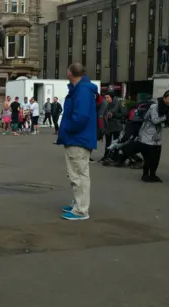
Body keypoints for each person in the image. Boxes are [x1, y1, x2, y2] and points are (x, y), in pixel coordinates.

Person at [56, 63, 98, 221]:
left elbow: (80, 117)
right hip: (79, 137)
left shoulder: (82, 90)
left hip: (77, 138)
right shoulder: (83, 89)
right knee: (77, 172)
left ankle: (81, 210)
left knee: (78, 174)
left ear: (71, 73)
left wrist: (68, 129)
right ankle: (78, 204)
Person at [133, 90, 169, 182]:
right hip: (147, 135)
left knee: (156, 158)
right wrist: (168, 115)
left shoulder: (167, 108)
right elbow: (155, 120)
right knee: (149, 157)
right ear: (164, 98)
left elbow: (166, 122)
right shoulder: (155, 106)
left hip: (157, 137)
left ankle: (153, 175)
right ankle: (145, 175)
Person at [100, 93, 127, 162]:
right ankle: (106, 156)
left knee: (116, 142)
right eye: (105, 97)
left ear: (112, 97)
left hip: (116, 126)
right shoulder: (105, 104)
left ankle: (115, 156)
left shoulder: (119, 102)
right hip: (108, 126)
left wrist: (114, 115)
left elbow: (124, 113)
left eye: (108, 97)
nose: (106, 99)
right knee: (108, 143)